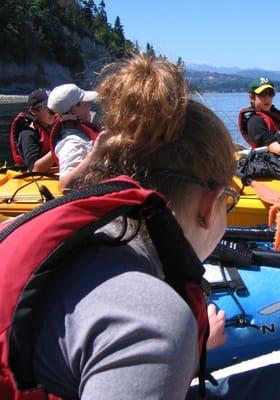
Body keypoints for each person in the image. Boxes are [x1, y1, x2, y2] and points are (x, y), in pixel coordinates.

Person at [25, 55, 235, 398]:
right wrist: (179, 350)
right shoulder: (154, 324)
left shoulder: (73, 241)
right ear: (210, 205)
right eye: (230, 200)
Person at [47, 83, 102, 189]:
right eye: (85, 103)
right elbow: (65, 185)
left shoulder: (79, 136)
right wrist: (94, 153)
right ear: (74, 109)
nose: (89, 106)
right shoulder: (72, 142)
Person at [9, 89, 56, 172]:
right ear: (34, 110)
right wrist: (60, 147)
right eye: (50, 109)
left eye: (55, 107)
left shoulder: (54, 127)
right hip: (33, 179)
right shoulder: (27, 133)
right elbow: (34, 169)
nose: (54, 112)